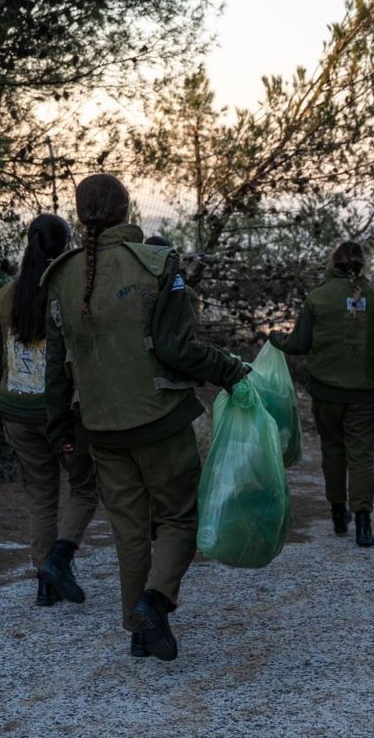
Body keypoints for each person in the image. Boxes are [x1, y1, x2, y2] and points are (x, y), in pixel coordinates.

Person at [42, 174, 247, 662]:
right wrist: (232, 371)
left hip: (100, 429)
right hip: (161, 422)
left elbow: (56, 367)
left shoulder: (60, 276)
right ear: (126, 208)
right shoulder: (157, 263)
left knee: (129, 532)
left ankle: (139, 633)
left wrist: (59, 428)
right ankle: (154, 604)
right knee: (179, 517)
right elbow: (179, 349)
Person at [0, 213, 99, 607]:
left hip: (16, 410)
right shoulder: (66, 295)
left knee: (40, 497)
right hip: (60, 416)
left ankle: (45, 583)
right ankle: (58, 560)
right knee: (85, 488)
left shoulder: (6, 295)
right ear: (66, 247)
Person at [270, 242, 374, 547]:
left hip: (327, 394)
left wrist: (276, 338)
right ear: (363, 265)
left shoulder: (318, 298)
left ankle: (339, 514)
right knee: (362, 456)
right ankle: (363, 525)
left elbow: (299, 344)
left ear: (333, 263)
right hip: (367, 394)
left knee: (333, 451)